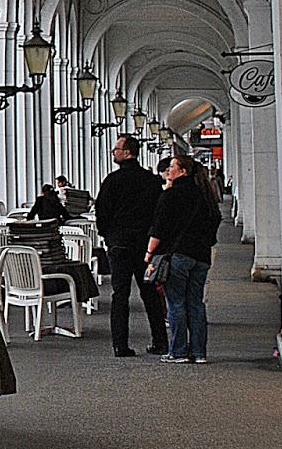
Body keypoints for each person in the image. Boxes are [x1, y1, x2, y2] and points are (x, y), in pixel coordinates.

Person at [94, 134, 167, 357]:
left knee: (120, 294)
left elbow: (101, 211)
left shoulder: (112, 180)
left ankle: (120, 345)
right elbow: (159, 213)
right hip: (145, 246)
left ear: (127, 152)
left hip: (120, 245)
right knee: (150, 293)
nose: (113, 152)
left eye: (116, 149)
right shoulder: (152, 180)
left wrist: (108, 236)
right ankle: (160, 342)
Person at [145, 154, 222, 364]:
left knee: (176, 303)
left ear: (183, 171)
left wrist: (149, 253)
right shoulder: (206, 195)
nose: (168, 170)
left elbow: (159, 227)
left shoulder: (171, 195)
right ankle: (198, 352)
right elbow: (215, 221)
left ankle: (178, 352)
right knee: (195, 303)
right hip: (201, 256)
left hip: (178, 255)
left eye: (172, 166)